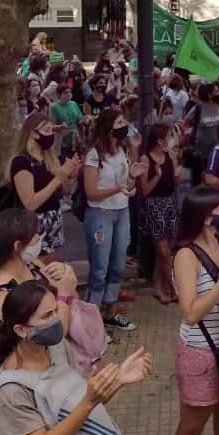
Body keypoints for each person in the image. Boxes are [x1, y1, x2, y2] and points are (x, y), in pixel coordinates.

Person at [0, 281, 152, 435]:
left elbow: (80, 404)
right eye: (46, 316)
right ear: (21, 330)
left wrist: (118, 380)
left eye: (56, 311)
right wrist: (88, 401)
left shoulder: (58, 347)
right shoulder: (10, 390)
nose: (56, 320)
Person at [171, 186, 219, 435]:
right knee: (191, 428)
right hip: (200, 352)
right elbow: (190, 313)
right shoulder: (186, 256)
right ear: (206, 216)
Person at [0, 208, 78, 349]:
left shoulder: (32, 264)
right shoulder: (1, 298)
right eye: (35, 235)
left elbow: (71, 295)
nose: (39, 237)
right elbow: (51, 339)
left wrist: (64, 277)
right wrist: (64, 297)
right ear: (18, 245)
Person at [83, 109, 147, 331]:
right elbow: (91, 192)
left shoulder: (123, 150)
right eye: (120, 122)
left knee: (118, 264)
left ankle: (111, 310)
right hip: (100, 213)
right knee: (100, 267)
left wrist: (132, 177)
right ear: (108, 126)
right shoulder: (94, 154)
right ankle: (93, 319)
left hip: (122, 212)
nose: (124, 126)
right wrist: (116, 189)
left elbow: (127, 185)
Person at [11, 112, 80, 262]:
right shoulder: (21, 162)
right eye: (47, 130)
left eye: (52, 131)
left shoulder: (49, 158)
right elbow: (30, 203)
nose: (51, 135)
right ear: (34, 134)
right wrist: (58, 178)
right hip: (34, 224)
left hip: (53, 219)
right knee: (35, 268)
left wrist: (70, 175)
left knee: (52, 266)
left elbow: (63, 191)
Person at [139, 123, 181, 304]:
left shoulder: (170, 155)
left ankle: (159, 285)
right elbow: (145, 190)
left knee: (165, 250)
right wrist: (156, 175)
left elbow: (174, 182)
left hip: (170, 203)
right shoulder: (146, 159)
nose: (171, 140)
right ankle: (170, 286)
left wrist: (177, 169)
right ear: (160, 140)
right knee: (163, 252)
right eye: (169, 136)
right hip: (154, 206)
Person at [185, 84, 219, 161]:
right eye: (216, 91)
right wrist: (190, 131)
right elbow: (185, 123)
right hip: (202, 153)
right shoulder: (198, 108)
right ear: (209, 95)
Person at [50, 85, 85, 160]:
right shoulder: (54, 107)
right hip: (62, 142)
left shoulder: (74, 104)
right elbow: (51, 127)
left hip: (74, 140)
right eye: (65, 92)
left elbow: (80, 119)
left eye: (70, 92)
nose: (69, 94)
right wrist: (61, 126)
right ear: (59, 95)